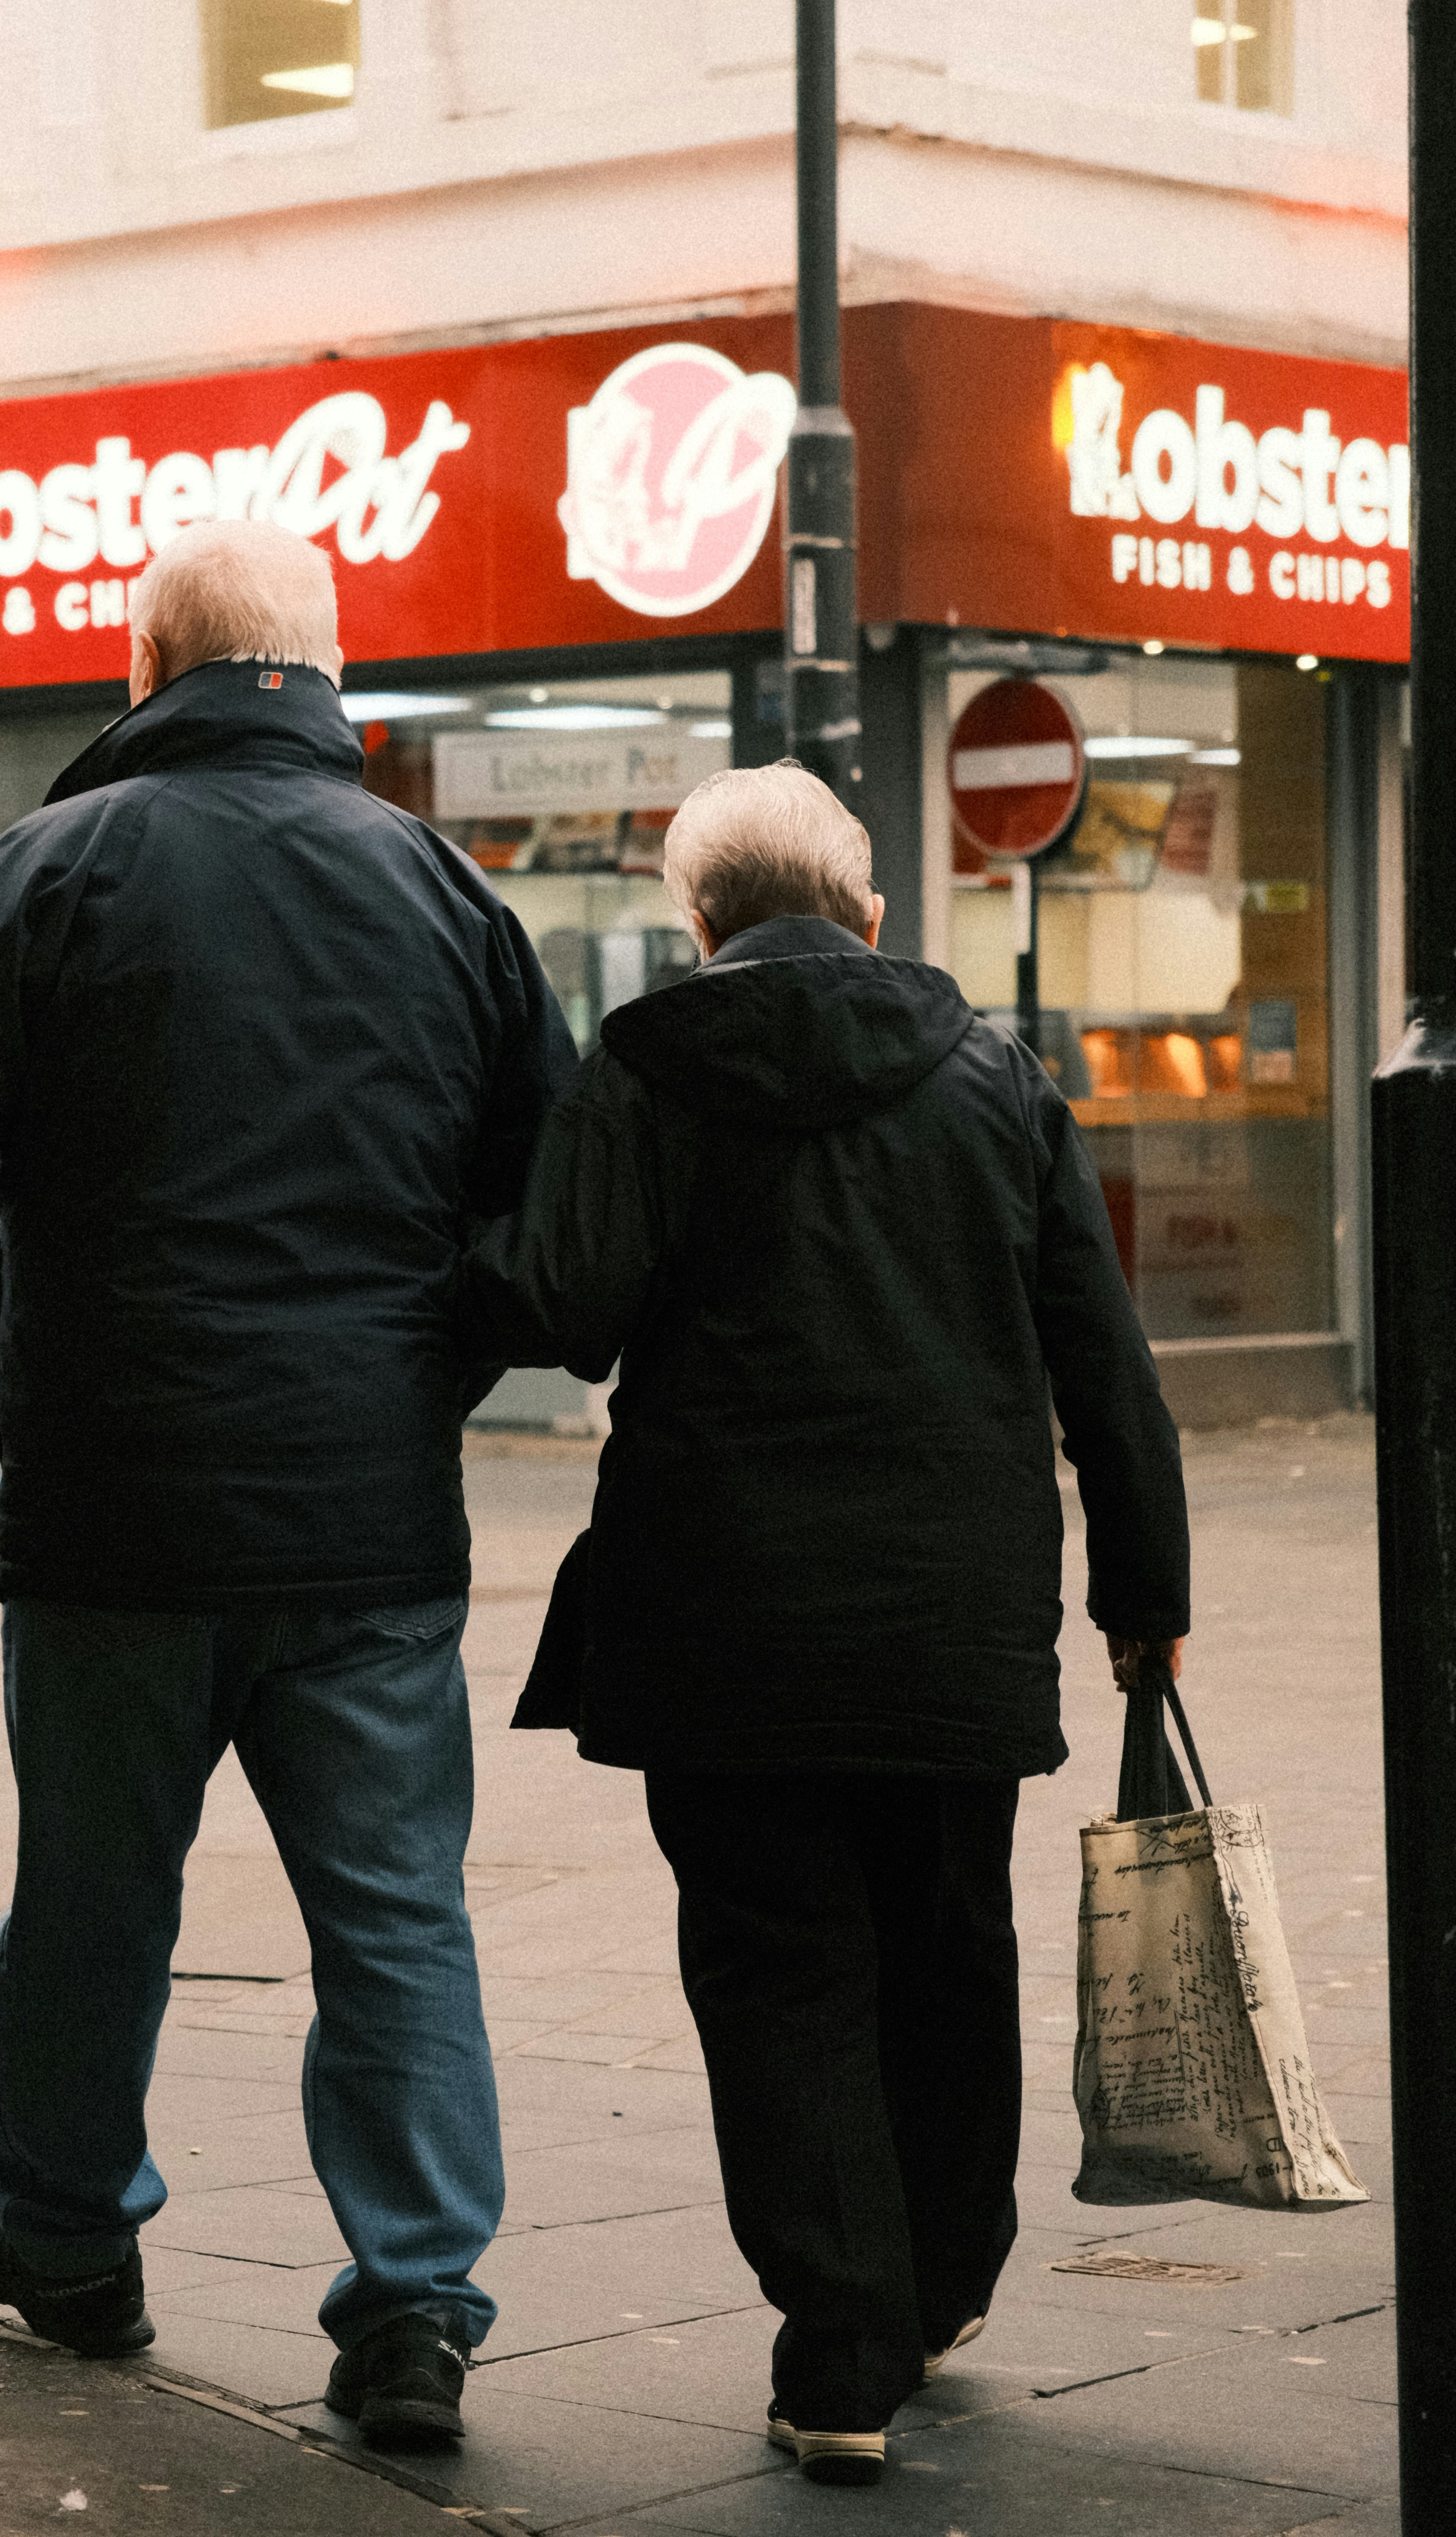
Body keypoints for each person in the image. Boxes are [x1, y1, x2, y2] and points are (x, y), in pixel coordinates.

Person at [0, 519, 578, 2449]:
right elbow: (543, 1208)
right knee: (393, 1908)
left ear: (144, 669)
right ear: (329, 679)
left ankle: (60, 2223)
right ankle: (410, 2307)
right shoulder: (445, 895)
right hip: (365, 1517)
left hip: (114, 1496)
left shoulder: (54, 868)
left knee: (91, 1891)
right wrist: (415, 1367)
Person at [461, 760, 1189, 2490]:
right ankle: (937, 2289)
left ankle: (841, 2348)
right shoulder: (997, 1081)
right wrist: (1145, 1603)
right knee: (948, 1948)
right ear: (870, 914)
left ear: (701, 922)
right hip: (954, 1617)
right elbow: (1105, 1360)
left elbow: (564, 1309)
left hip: (726, 1626)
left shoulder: (650, 1068)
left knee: (780, 1974)